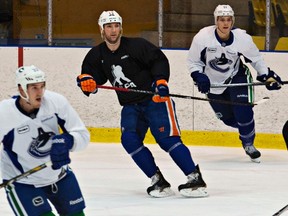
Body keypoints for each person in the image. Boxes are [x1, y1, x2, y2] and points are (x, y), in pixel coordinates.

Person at [77, 10, 208, 198]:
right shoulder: (97, 54)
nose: (113, 30)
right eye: (109, 26)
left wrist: (160, 82)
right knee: (129, 139)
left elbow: (158, 61)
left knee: (166, 140)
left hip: (155, 100)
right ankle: (157, 180)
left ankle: (194, 177)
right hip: (130, 105)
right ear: (102, 29)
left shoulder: (136, 46)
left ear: (121, 27)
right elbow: (92, 77)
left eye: (116, 26)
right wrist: (87, 83)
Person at [187, 5, 283, 163]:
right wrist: (199, 76)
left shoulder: (242, 38)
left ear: (233, 21)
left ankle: (248, 143)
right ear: (216, 21)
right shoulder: (203, 37)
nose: (225, 23)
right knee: (229, 120)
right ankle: (245, 128)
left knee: (243, 112)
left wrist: (266, 75)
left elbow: (256, 59)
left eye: (229, 20)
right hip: (213, 83)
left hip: (236, 76)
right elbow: (193, 61)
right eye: (222, 20)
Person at [0, 65, 89, 215]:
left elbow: (83, 136)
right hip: (23, 183)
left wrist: (68, 141)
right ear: (21, 89)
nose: (40, 92)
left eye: (42, 86)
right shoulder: (4, 113)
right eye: (34, 87)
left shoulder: (56, 102)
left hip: (60, 176)